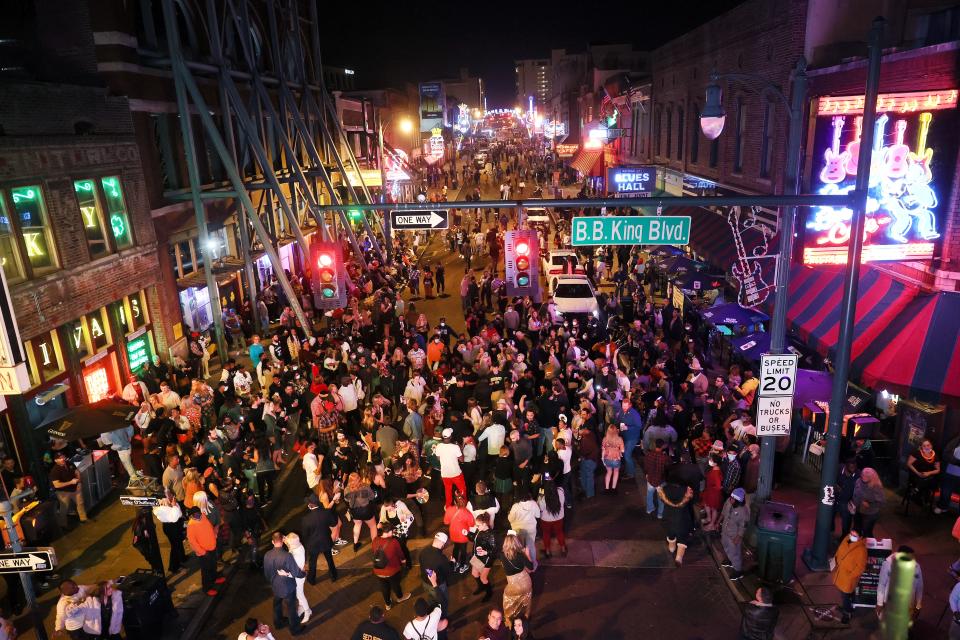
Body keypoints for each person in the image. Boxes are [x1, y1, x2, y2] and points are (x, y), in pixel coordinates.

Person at [263, 531, 306, 635]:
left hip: (275, 585)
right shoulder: (287, 556)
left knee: (277, 604)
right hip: (288, 587)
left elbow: (267, 573)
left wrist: (272, 581)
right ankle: (295, 630)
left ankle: (278, 622)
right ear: (282, 541)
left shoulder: (267, 554)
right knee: (291, 608)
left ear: (272, 542)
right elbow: (296, 573)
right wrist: (303, 573)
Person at [876, 545, 923, 622]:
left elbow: (919, 586)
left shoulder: (916, 567)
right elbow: (882, 584)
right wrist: (880, 603)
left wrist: (918, 604)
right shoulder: (888, 564)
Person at [831, 529, 868, 624]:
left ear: (860, 537)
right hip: (840, 573)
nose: (851, 536)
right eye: (851, 533)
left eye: (855, 535)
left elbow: (860, 568)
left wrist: (849, 576)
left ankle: (847, 612)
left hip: (848, 578)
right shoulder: (846, 539)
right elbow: (839, 550)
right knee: (843, 594)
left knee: (845, 596)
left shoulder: (862, 550)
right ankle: (846, 607)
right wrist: (834, 560)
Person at [371, 523, 410, 610]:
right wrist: (403, 561)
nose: (393, 533)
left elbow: (374, 551)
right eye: (392, 531)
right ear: (388, 532)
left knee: (384, 587)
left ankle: (388, 604)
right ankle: (400, 597)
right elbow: (400, 554)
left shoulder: (375, 540)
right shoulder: (393, 542)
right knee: (395, 585)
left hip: (378, 570)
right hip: (392, 570)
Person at [301, 493, 338, 584]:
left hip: (313, 544)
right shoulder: (326, 513)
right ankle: (333, 576)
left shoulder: (306, 519)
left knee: (312, 562)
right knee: (329, 559)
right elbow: (333, 524)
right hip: (326, 541)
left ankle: (312, 579)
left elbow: (305, 534)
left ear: (310, 505)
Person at [186, 506, 223, 595]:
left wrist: (214, 535)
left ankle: (214, 578)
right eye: (195, 514)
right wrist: (203, 552)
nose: (198, 515)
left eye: (198, 512)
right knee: (206, 570)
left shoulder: (203, 516)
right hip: (204, 552)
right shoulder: (191, 525)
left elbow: (209, 528)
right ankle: (207, 588)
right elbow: (192, 542)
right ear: (192, 516)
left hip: (212, 547)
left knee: (213, 565)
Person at [659, 477, 695, 567]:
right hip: (682, 518)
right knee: (682, 539)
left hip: (669, 517)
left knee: (671, 536)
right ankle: (679, 558)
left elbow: (661, 499)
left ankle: (671, 549)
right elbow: (691, 500)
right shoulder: (687, 490)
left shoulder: (665, 489)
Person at [500, 531, 534, 621]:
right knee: (526, 601)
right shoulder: (520, 555)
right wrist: (527, 554)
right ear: (516, 542)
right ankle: (526, 618)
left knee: (509, 600)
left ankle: (510, 620)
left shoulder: (501, 556)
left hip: (513, 585)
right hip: (525, 582)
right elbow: (531, 567)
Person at [50, 452, 87, 528]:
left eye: (63, 457)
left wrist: (79, 481)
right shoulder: (54, 471)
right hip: (63, 492)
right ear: (56, 460)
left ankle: (84, 519)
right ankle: (63, 525)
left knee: (80, 503)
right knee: (64, 509)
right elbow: (56, 484)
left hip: (75, 488)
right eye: (60, 458)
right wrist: (70, 482)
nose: (62, 459)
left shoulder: (69, 463)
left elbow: (76, 471)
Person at [419, 531, 452, 615]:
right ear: (442, 544)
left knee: (431, 599)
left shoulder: (423, 551)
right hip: (437, 585)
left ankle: (432, 611)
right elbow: (448, 572)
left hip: (425, 582)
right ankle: (442, 616)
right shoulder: (441, 558)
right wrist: (452, 563)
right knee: (443, 601)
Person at [720, 488, 749, 581]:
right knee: (725, 545)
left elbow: (743, 526)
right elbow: (723, 512)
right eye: (731, 497)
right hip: (725, 531)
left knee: (735, 552)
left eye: (733, 498)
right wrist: (718, 522)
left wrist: (738, 537)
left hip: (733, 535)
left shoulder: (743, 512)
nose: (730, 499)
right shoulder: (728, 502)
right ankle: (729, 560)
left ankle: (738, 570)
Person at [507, 493, 541, 571]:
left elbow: (510, 519)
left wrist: (509, 514)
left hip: (517, 529)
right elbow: (538, 516)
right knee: (531, 547)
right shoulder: (533, 503)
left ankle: (521, 566)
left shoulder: (515, 506)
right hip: (531, 528)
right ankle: (533, 565)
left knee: (519, 548)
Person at [153, 491, 185, 573]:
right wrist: (174, 506)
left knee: (178, 543)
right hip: (172, 527)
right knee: (175, 546)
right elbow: (176, 516)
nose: (172, 496)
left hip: (172, 526)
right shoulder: (162, 509)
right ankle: (173, 567)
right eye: (170, 495)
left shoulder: (163, 506)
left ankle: (182, 558)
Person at [283, 532, 311, 624]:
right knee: (299, 594)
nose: (288, 544)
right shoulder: (299, 545)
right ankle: (302, 607)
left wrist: (285, 574)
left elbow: (295, 573)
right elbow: (288, 541)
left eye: (289, 543)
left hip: (298, 578)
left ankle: (307, 611)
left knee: (300, 595)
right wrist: (285, 540)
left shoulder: (296, 556)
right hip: (298, 576)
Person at [444, 493, 475, 573]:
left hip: (453, 534)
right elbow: (472, 524)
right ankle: (463, 565)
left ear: (454, 502)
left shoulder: (449, 509)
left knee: (456, 548)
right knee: (463, 550)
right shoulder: (467, 512)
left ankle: (454, 564)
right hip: (463, 535)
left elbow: (446, 522)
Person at [436, 428, 466, 507]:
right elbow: (462, 459)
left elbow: (438, 458)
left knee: (448, 491)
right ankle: (464, 506)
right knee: (462, 490)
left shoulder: (439, 446)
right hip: (456, 473)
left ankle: (448, 507)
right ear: (450, 437)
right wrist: (460, 448)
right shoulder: (455, 447)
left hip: (445, 474)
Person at [537, 475, 566, 558]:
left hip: (546, 519)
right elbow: (563, 502)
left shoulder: (542, 494)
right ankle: (563, 549)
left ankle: (548, 551)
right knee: (560, 532)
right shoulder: (560, 490)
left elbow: (540, 507)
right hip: (559, 517)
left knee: (546, 534)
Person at [851, 467, 884, 538]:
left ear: (872, 477)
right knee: (856, 531)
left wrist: (869, 504)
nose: (863, 477)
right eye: (862, 475)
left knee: (867, 532)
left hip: (869, 514)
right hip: (858, 510)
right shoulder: (858, 481)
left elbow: (881, 502)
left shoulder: (876, 486)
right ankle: (855, 547)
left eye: (866, 476)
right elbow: (855, 494)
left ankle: (868, 548)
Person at [906, 439, 940, 507]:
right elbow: (908, 464)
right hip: (916, 474)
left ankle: (916, 491)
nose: (927, 447)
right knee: (925, 481)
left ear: (931, 446)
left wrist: (929, 473)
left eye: (928, 445)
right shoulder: (916, 453)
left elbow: (938, 470)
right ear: (921, 447)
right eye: (924, 446)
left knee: (928, 480)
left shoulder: (935, 456)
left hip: (928, 476)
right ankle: (924, 496)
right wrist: (918, 473)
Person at [131, 506, 164, 575]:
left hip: (144, 544)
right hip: (143, 546)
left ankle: (156, 571)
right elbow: (137, 539)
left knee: (152, 560)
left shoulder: (142, 521)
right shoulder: (139, 525)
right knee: (152, 560)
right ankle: (156, 572)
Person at [644, 438, 670, 520]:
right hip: (661, 480)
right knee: (661, 498)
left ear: (655, 445)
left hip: (651, 478)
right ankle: (660, 514)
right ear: (662, 446)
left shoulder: (648, 454)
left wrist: (647, 474)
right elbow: (668, 469)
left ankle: (649, 509)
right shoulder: (665, 457)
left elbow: (646, 466)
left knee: (649, 495)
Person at [601, 424, 624, 493]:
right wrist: (618, 451)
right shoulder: (619, 439)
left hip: (607, 458)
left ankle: (607, 489)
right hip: (616, 459)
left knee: (608, 472)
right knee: (616, 472)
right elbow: (622, 450)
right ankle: (613, 489)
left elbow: (603, 449)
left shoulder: (605, 439)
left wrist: (602, 458)